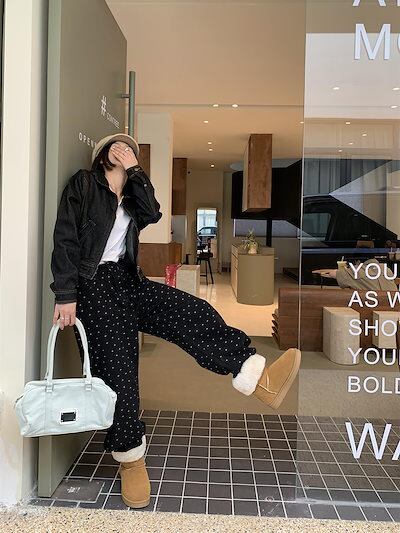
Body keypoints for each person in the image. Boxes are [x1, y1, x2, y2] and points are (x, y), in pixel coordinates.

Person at [50, 132, 301, 509]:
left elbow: (152, 213)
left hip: (127, 279)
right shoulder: (84, 185)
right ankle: (130, 459)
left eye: (130, 148)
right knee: (119, 371)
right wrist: (65, 294)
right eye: (117, 146)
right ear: (102, 155)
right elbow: (66, 238)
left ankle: (256, 376)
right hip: (93, 285)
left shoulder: (131, 195)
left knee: (192, 311)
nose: (124, 149)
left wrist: (136, 172)